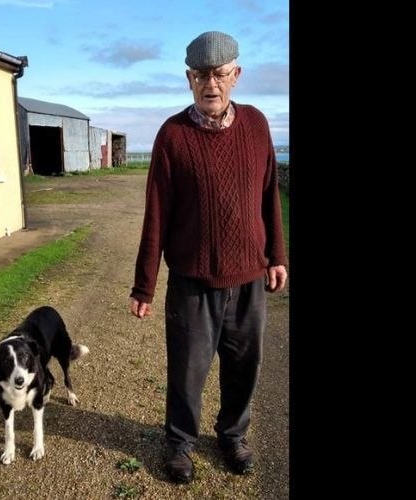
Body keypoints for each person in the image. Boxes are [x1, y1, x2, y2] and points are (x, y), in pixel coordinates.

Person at [128, 31, 288, 483]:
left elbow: (268, 195)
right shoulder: (172, 135)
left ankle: (232, 436)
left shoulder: (257, 125)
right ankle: (179, 445)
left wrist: (277, 255)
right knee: (186, 373)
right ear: (188, 79)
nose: (210, 84)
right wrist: (145, 285)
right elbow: (155, 214)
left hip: (248, 281)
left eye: (219, 74)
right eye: (201, 75)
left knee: (244, 368)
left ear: (236, 75)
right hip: (192, 282)